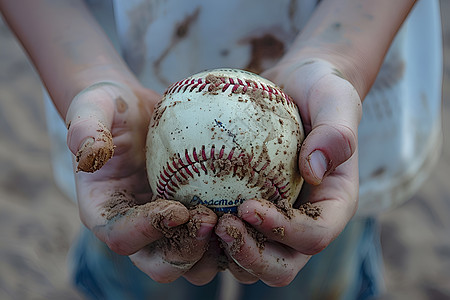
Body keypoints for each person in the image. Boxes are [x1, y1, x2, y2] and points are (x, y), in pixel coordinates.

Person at [0, 0, 442, 299]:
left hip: (319, 130)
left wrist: (340, 57)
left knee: (315, 282)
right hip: (129, 136)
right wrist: (83, 74)